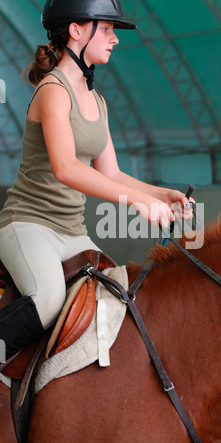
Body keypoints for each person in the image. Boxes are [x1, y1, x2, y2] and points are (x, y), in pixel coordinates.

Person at [0, 0, 193, 362]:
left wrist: (161, 194)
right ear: (76, 30)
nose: (114, 39)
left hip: (72, 232)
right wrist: (137, 202)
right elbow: (67, 169)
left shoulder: (97, 100)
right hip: (28, 226)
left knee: (118, 293)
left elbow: (111, 173)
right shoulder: (53, 91)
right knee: (48, 299)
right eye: (106, 29)